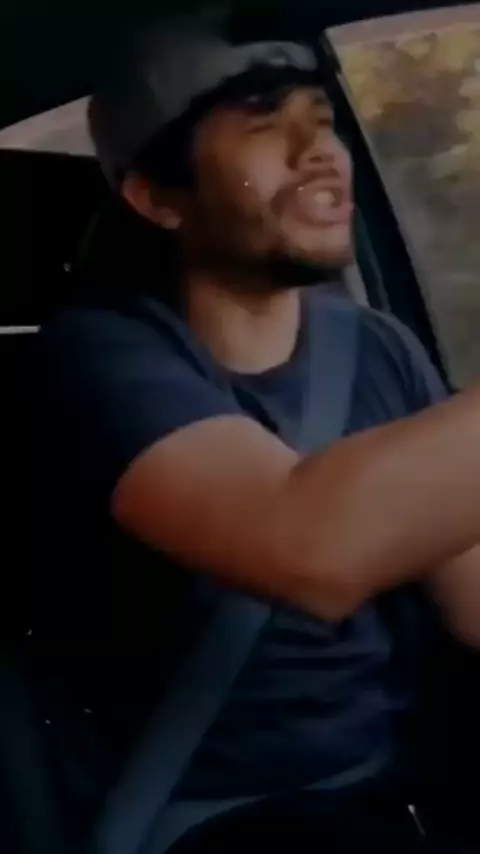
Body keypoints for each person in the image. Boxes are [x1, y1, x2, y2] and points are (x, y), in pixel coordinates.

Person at [40, 14, 480, 854]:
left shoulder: (377, 346)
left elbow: (471, 595)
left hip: (394, 787)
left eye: (323, 120)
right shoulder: (99, 360)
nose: (320, 152)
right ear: (156, 196)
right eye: (265, 126)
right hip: (223, 822)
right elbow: (306, 546)